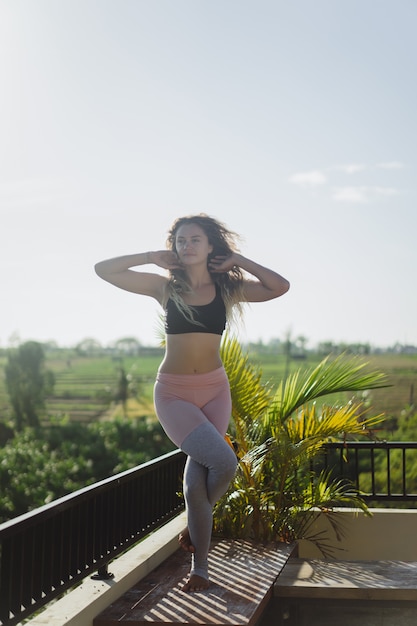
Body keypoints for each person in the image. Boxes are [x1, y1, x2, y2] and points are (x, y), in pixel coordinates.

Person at [94, 214, 290, 592]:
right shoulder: (165, 287)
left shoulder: (228, 289)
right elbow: (104, 270)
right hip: (174, 393)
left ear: (211, 246)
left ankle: (199, 569)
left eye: (194, 240)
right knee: (224, 462)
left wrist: (239, 261)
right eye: (180, 241)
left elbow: (279, 287)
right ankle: (198, 527)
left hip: (216, 390)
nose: (186, 247)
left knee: (196, 483)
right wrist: (151, 255)